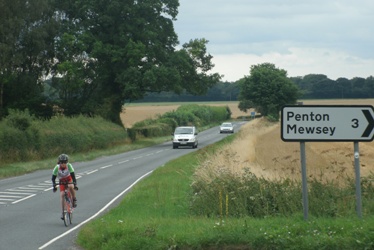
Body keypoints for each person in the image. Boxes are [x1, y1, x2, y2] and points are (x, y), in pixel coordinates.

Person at [52, 154, 78, 220]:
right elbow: (53, 178)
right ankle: (63, 212)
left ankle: (74, 199)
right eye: (61, 162)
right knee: (62, 194)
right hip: (62, 181)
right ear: (59, 162)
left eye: (64, 162)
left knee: (70, 186)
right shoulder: (57, 167)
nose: (63, 164)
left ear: (67, 162)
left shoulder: (69, 166)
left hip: (69, 179)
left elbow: (73, 176)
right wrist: (54, 186)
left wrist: (75, 184)